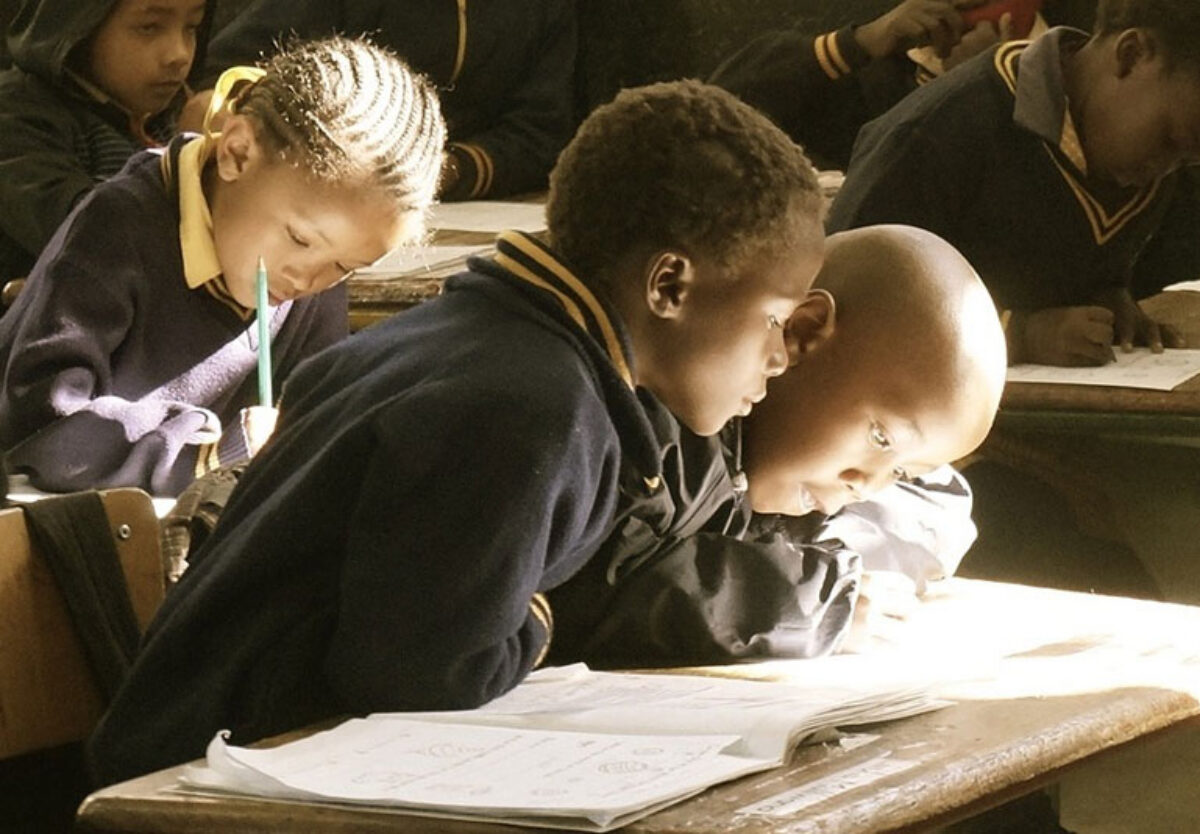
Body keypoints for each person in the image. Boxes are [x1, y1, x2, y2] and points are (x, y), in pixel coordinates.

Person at [86, 78, 827, 785]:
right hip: (200, 785)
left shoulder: (472, 339)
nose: (778, 357)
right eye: (774, 319)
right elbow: (423, 674)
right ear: (668, 285)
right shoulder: (533, 406)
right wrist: (546, 610)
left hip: (209, 749)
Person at [0, 36, 446, 497]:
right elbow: (42, 429)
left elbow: (315, 422)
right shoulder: (119, 226)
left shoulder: (315, 283)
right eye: (298, 239)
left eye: (345, 266)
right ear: (236, 152)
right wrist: (210, 452)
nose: (307, 279)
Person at [547, 224, 1008, 668]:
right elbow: (595, 585)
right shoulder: (668, 415)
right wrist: (810, 599)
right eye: (880, 438)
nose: (866, 484)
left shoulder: (779, 465)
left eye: (900, 470)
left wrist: (826, 562)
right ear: (802, 332)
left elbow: (939, 503)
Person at [828, 0, 1200, 367]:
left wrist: (1109, 299)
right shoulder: (937, 130)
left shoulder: (1137, 154)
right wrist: (1021, 334)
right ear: (1131, 55)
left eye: (1188, 159)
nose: (1168, 170)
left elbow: (1065, 267)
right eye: (1169, 139)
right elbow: (843, 306)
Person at [197, 0, 577, 201]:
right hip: (322, 201)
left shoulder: (543, 8)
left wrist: (447, 170)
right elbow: (226, 77)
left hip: (471, 224)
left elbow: (541, 132)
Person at [0, 0, 216, 289]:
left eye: (191, 27)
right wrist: (190, 161)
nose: (179, 54)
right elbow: (95, 235)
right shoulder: (17, 116)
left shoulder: (173, 112)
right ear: (79, 26)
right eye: (149, 27)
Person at [709, 0, 1040, 171]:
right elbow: (708, 119)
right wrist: (859, 42)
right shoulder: (873, 62)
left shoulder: (1053, 77)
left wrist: (980, 86)